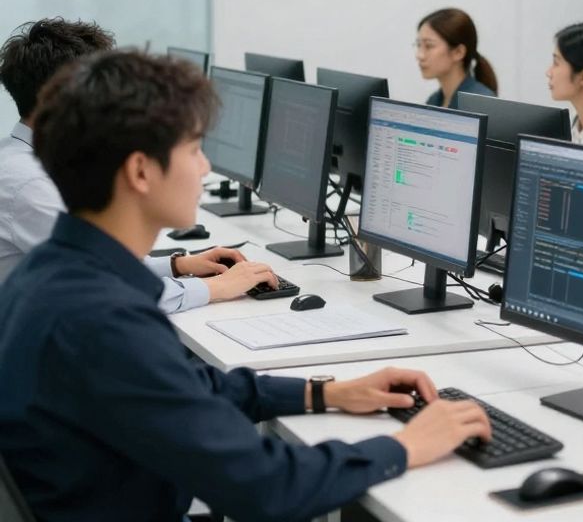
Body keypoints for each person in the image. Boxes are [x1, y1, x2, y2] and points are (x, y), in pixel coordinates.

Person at [0, 50, 492, 521]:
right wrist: (404, 446)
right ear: (141, 171)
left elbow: (189, 388)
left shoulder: (54, 272)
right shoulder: (102, 320)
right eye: (193, 150)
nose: (205, 168)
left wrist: (327, 392)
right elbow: (269, 488)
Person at [0, 19, 271, 309]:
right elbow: (111, 286)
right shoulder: (30, 185)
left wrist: (179, 265)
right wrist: (214, 287)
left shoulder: (25, 160)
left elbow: (104, 264)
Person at [416, 7, 497, 107]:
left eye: (429, 46)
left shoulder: (482, 105)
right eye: (419, 45)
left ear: (458, 52)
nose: (419, 55)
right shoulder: (433, 101)